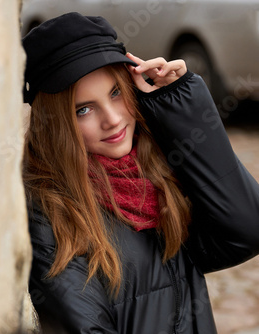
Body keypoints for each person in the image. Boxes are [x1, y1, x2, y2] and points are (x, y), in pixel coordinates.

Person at [22, 12, 259, 334]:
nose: (113, 119)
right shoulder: (51, 214)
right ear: (56, 125)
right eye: (84, 109)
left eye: (116, 93)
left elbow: (245, 231)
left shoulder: (158, 172)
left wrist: (184, 109)